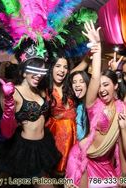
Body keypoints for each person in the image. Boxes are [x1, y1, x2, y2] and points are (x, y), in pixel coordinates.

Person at [65, 21, 126, 188]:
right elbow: (94, 77)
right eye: (99, 86)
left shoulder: (123, 108)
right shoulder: (92, 104)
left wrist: (123, 171)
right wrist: (98, 46)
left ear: (115, 86)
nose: (101, 89)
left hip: (105, 163)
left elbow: (120, 143)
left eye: (106, 85)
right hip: (84, 159)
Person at [0, 44, 61, 183]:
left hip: (42, 145)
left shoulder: (40, 91)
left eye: (42, 72)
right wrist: (8, 101)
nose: (39, 76)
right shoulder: (13, 92)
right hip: (23, 149)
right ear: (24, 71)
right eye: (35, 70)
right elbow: (7, 131)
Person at [45, 47, 90, 177]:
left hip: (75, 131)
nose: (62, 70)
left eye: (65, 67)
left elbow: (85, 63)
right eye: (58, 66)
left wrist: (92, 51)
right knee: (55, 172)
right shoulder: (45, 89)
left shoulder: (69, 81)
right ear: (51, 67)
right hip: (56, 134)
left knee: (75, 171)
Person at [70, 71, 90, 140]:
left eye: (81, 81)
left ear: (87, 84)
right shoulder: (79, 106)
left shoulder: (92, 107)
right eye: (74, 82)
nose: (77, 85)